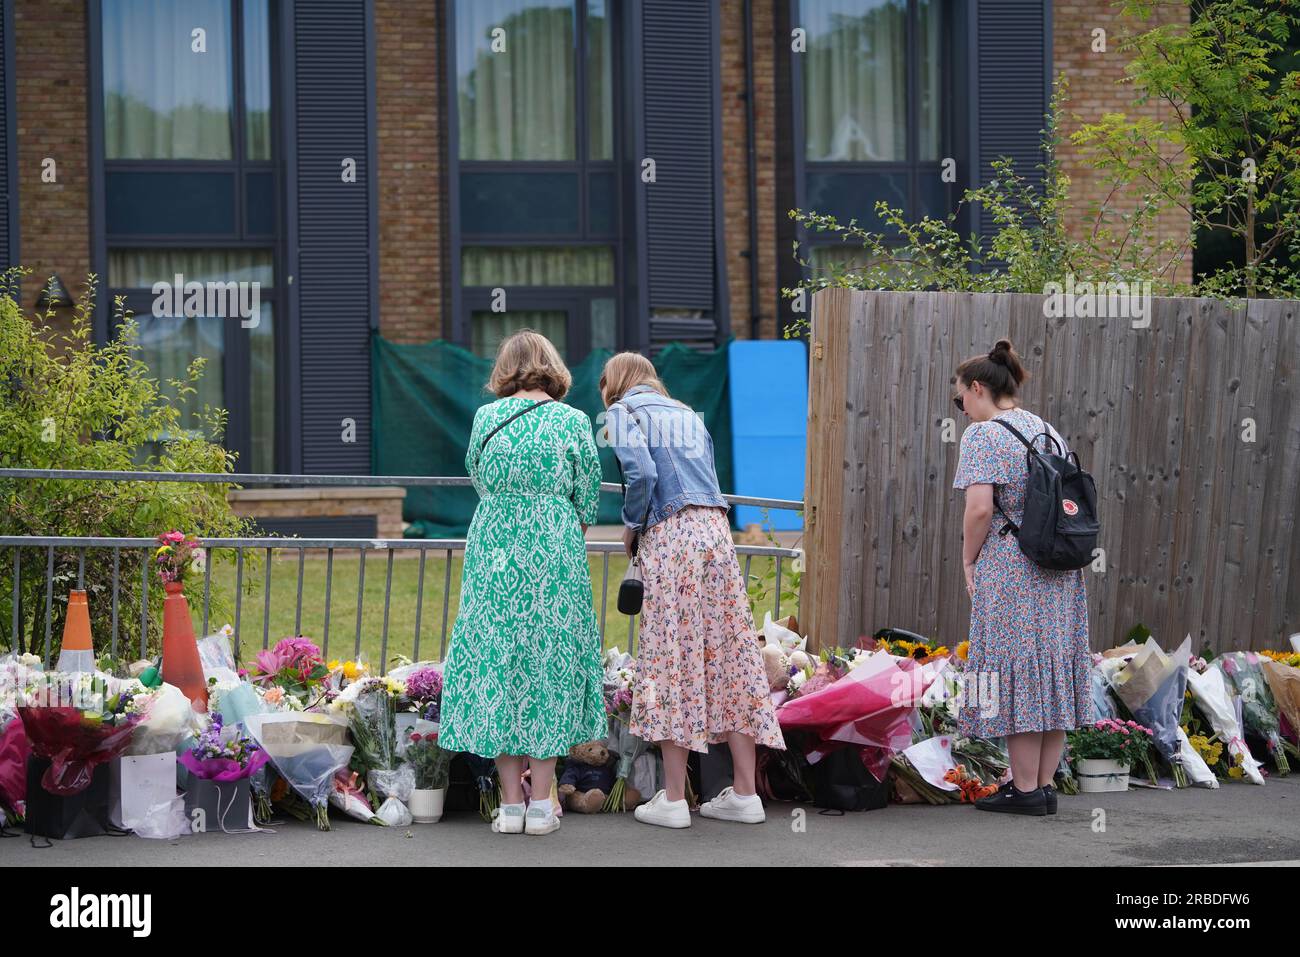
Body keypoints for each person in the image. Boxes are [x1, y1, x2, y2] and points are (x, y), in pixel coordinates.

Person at [599, 351, 785, 829]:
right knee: (730, 655)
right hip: (716, 535)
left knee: (669, 659)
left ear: (613, 385)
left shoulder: (622, 412)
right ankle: (745, 793)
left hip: (671, 538)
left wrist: (632, 524)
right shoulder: (686, 412)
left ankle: (675, 799)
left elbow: (642, 475)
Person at [438, 330, 607, 836]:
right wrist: (558, 528)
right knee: (548, 665)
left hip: (494, 550)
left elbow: (477, 476)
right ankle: (541, 804)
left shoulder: (487, 418)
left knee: (501, 664)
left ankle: (510, 805)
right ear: (552, 367)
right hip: (555, 551)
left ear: (504, 369)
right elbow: (588, 494)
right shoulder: (574, 421)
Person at [951, 338, 1091, 817]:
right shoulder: (1048, 432)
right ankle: (1045, 787)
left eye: (960, 399)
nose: (962, 409)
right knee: (1050, 669)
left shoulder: (984, 435)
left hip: (1013, 567)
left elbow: (979, 510)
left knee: (1016, 672)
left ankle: (1024, 787)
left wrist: (969, 560)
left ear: (977, 388)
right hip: (1059, 568)